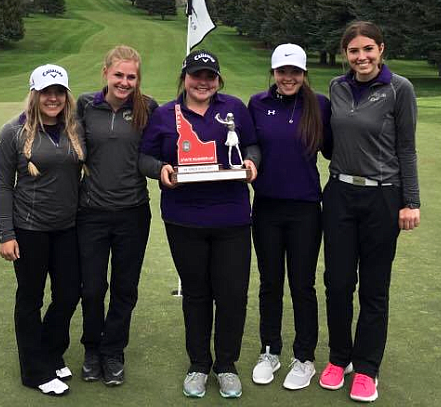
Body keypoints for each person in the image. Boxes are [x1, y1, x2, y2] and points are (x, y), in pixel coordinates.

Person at [139, 50, 259, 399]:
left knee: (232, 294)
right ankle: (198, 364)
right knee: (196, 293)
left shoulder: (235, 108)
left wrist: (251, 161)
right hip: (184, 218)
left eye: (210, 76)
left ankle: (226, 365)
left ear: (218, 80)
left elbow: (251, 146)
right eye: (196, 75)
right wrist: (158, 169)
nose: (203, 82)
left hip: (232, 217)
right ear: (185, 78)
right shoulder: (164, 114)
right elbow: (145, 156)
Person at [319, 21, 420, 403]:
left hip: (383, 196)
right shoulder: (336, 87)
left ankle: (366, 368)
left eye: (368, 49)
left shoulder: (399, 89)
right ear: (346, 54)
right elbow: (333, 140)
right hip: (340, 194)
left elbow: (407, 148)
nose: (361, 57)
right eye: (353, 51)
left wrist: (411, 201)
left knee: (374, 287)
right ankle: (339, 358)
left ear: (381, 49)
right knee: (339, 283)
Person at [0, 64, 85, 396]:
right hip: (29, 229)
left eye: (59, 91)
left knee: (69, 293)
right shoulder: (12, 132)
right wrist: (6, 234)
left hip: (68, 228)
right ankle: (35, 370)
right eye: (46, 92)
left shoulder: (74, 127)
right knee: (31, 298)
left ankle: (50, 349)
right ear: (34, 94)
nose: (53, 98)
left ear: (66, 95)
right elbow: (4, 186)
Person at [248, 43, 332, 390]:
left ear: (303, 74)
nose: (288, 78)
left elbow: (333, 150)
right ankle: (270, 351)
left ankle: (304, 357)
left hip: (305, 209)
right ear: (273, 73)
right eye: (282, 72)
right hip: (266, 207)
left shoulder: (320, 105)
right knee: (270, 284)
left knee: (302, 285)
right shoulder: (257, 104)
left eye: (294, 72)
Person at [76, 45, 158, 387]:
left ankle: (113, 350)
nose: (125, 82)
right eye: (119, 75)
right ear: (106, 73)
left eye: (131, 76)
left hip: (133, 213)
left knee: (126, 288)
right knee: (92, 288)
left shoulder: (148, 107)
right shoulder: (84, 106)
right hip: (91, 212)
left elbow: (158, 149)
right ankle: (92, 348)